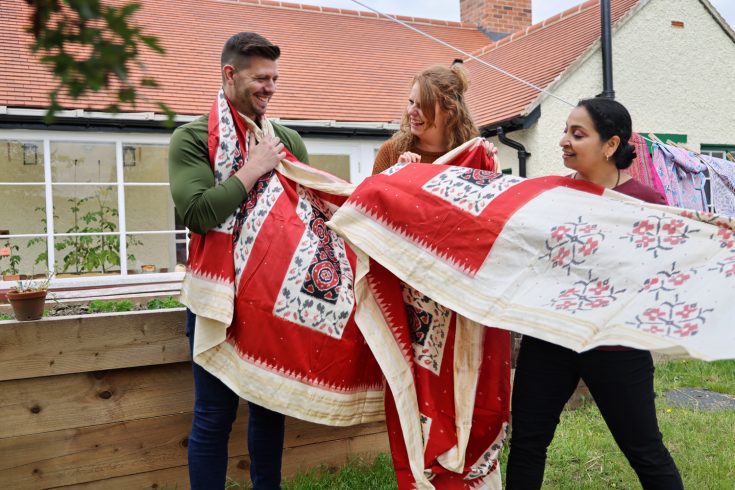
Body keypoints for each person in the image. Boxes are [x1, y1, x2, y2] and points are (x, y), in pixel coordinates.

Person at [505, 97, 683, 490]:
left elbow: (665, 275)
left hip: (615, 347)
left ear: (610, 145)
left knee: (645, 451)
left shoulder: (645, 203)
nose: (564, 141)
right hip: (549, 340)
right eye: (565, 131)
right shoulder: (551, 196)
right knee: (527, 444)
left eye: (578, 133)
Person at [168, 32, 309, 490]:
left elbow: (311, 217)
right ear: (230, 74)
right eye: (261, 78)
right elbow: (198, 213)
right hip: (216, 301)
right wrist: (255, 166)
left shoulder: (287, 140)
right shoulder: (191, 139)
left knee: (269, 412)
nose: (271, 88)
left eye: (275, 79)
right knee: (214, 415)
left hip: (272, 300)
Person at [372, 63, 495, 173]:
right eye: (411, 102)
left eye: (422, 106)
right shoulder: (391, 153)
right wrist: (397, 175)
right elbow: (371, 192)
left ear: (450, 111)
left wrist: (488, 164)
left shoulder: (470, 156)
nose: (410, 111)